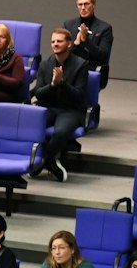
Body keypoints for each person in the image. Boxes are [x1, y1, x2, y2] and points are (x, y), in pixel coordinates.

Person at [30, 26, 92, 181]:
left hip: (70, 110)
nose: (55, 44)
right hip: (49, 107)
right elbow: (38, 92)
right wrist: (52, 85)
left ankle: (46, 160)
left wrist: (62, 83)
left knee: (60, 132)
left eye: (59, 41)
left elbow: (79, 96)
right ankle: (49, 161)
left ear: (69, 44)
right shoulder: (45, 64)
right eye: (53, 41)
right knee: (32, 126)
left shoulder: (81, 65)